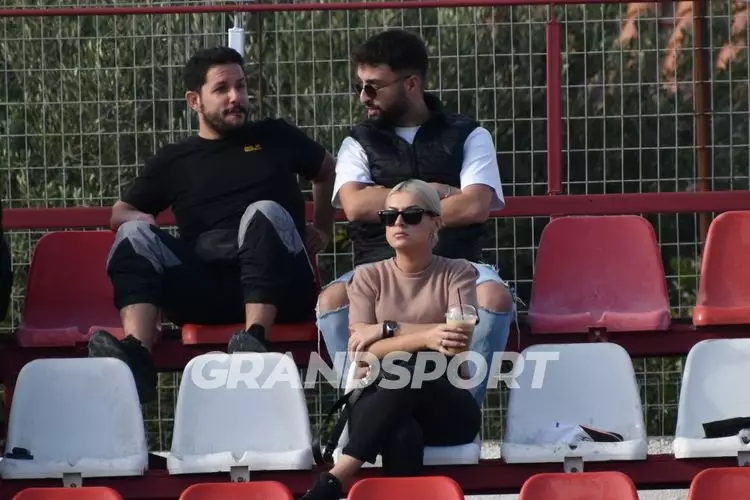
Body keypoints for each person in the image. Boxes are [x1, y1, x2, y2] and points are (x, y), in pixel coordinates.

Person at [88, 46, 336, 404]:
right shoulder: (176, 160)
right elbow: (120, 212)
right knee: (132, 234)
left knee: (262, 212)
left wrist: (323, 228)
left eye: (241, 86)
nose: (236, 97)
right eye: (222, 89)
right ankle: (137, 355)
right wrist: (139, 219)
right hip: (207, 290)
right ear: (195, 100)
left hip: (283, 290)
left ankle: (255, 340)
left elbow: (328, 170)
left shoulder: (276, 136)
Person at [316, 29, 515, 405]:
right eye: (360, 86)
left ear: (410, 83)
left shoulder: (469, 135)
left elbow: (474, 206)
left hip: (456, 264)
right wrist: (438, 191)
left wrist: (386, 198)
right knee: (332, 300)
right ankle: (357, 409)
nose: (363, 97)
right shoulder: (357, 141)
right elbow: (354, 205)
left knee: (494, 297)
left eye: (373, 87)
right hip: (378, 267)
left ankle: (464, 414)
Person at [302, 179, 481, 500]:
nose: (398, 223)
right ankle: (331, 484)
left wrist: (383, 332)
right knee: (401, 432)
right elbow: (362, 354)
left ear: (435, 222)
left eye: (411, 215)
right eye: (389, 216)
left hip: (446, 404)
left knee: (407, 370)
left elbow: (455, 342)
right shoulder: (367, 277)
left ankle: (336, 476)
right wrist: (425, 334)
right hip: (377, 400)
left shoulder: (458, 272)